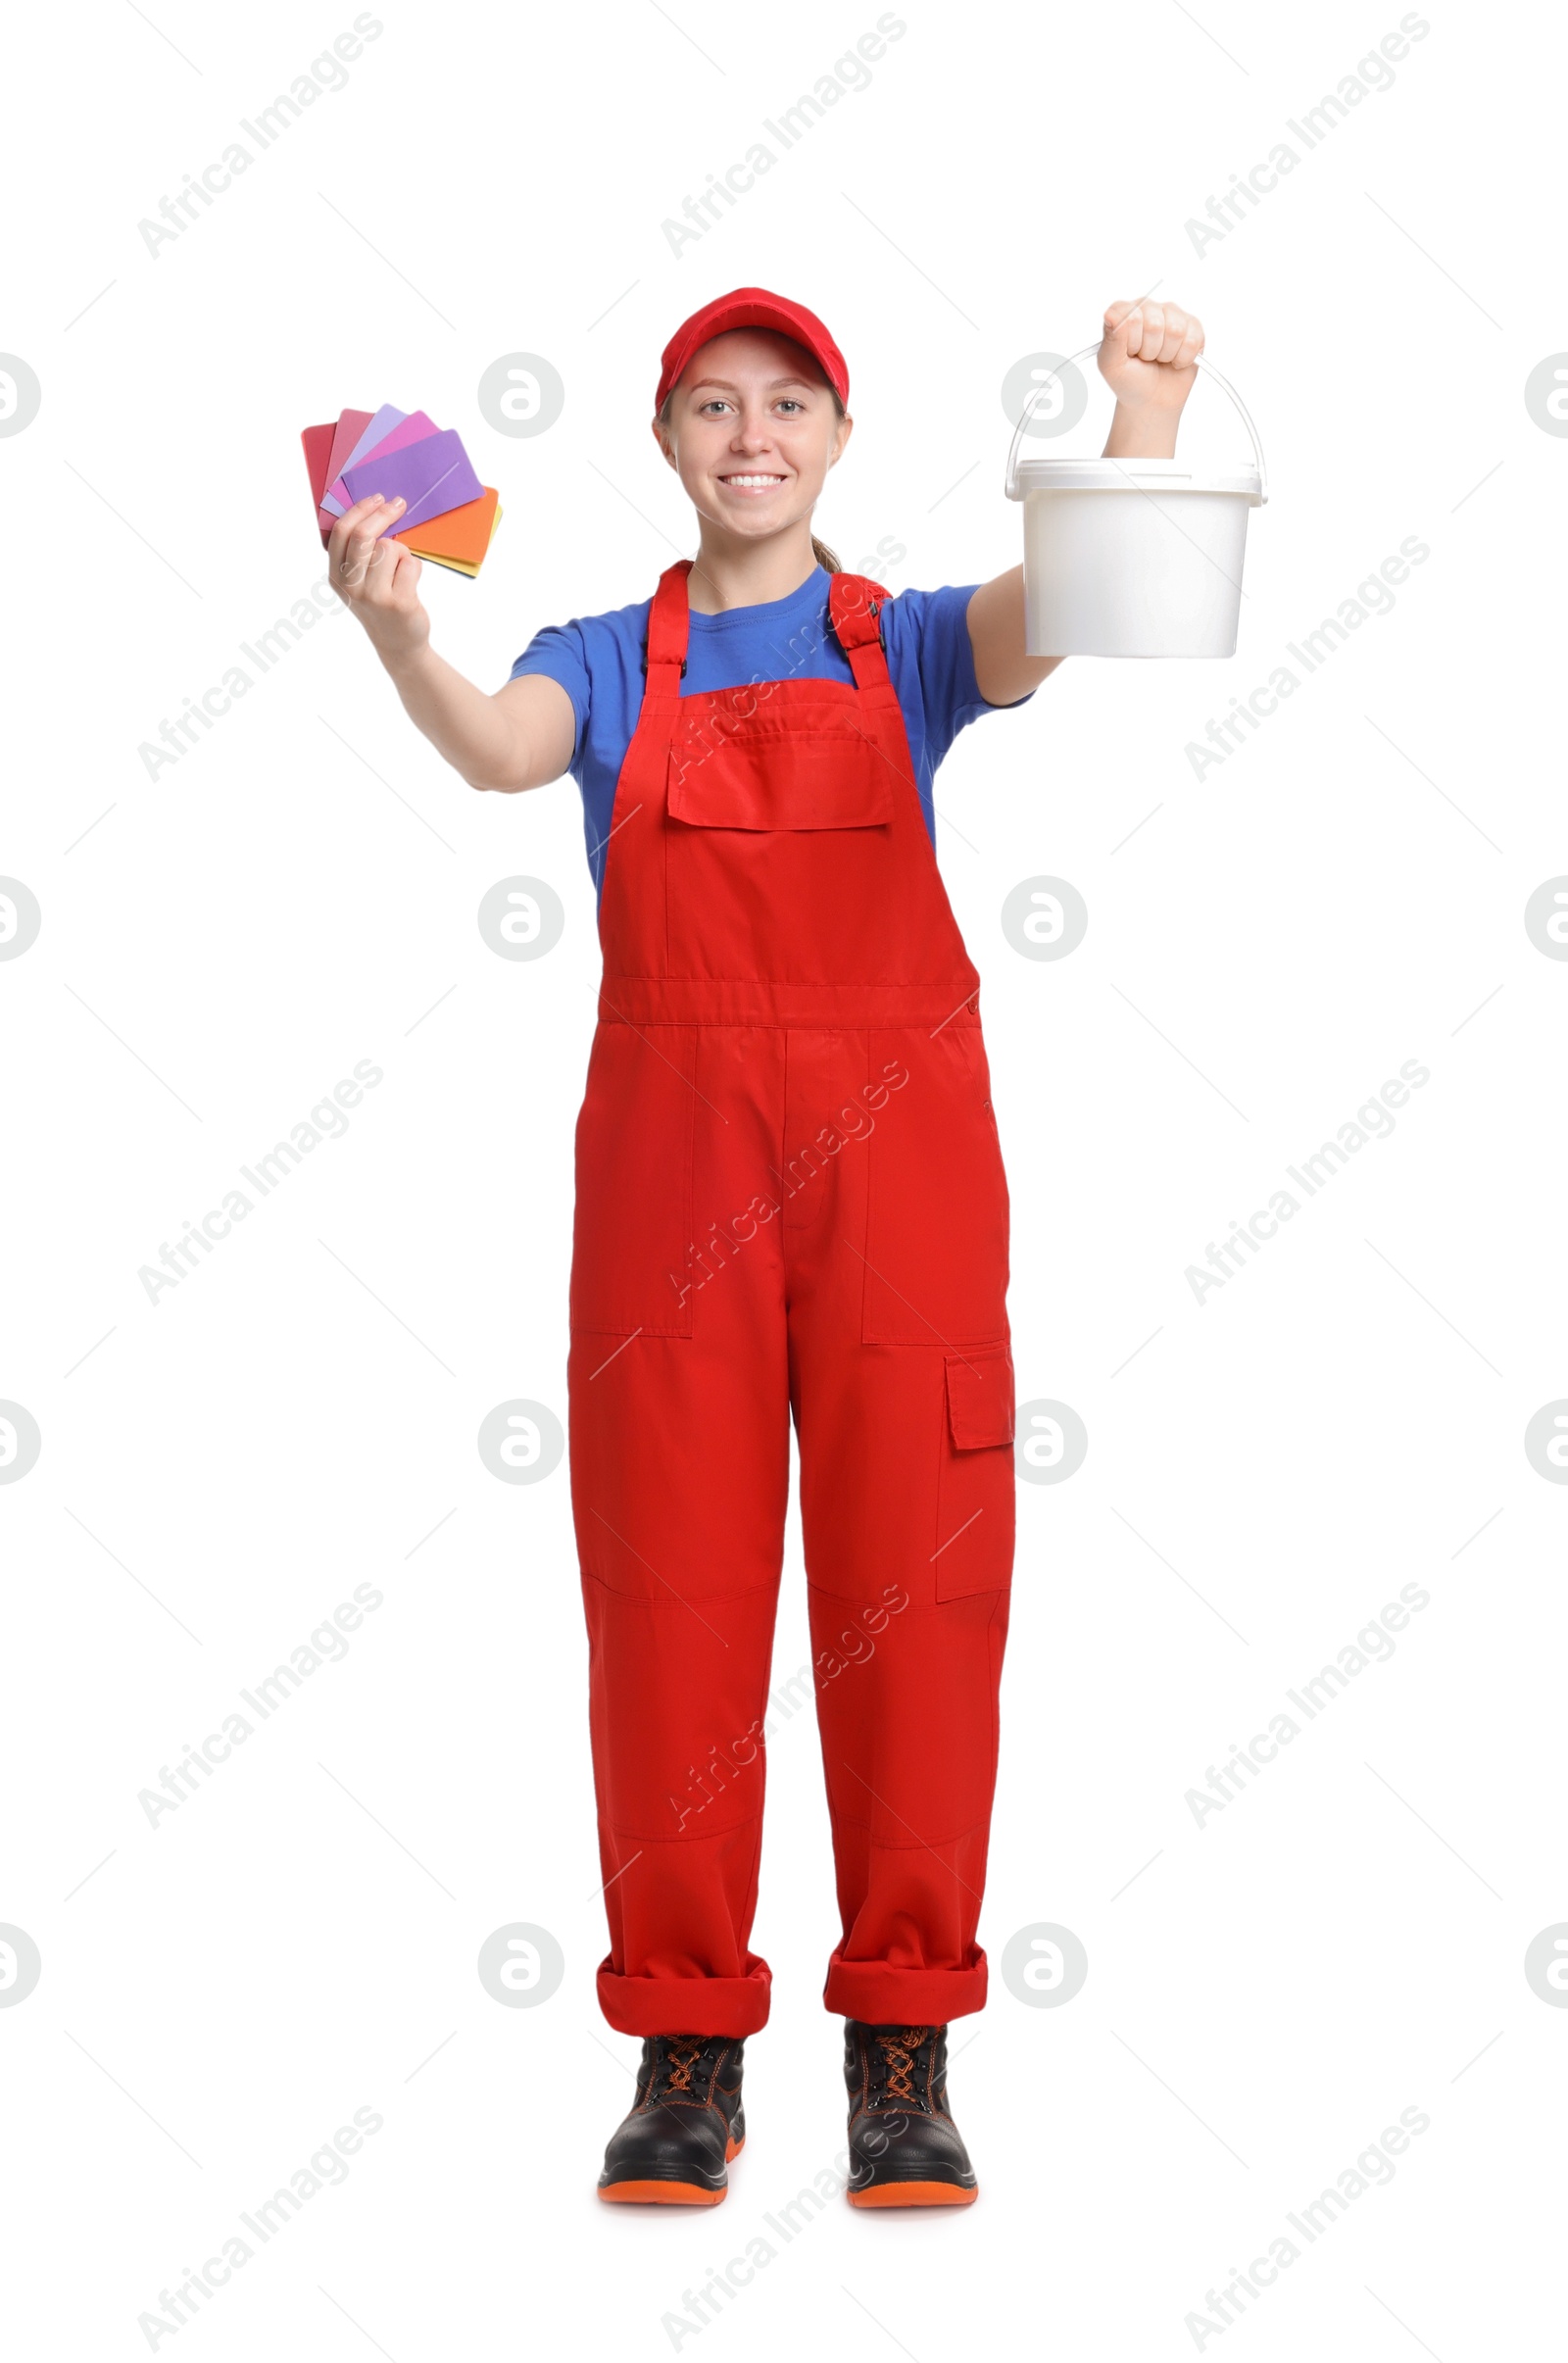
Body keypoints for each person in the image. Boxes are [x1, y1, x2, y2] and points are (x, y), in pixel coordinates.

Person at [327, 286, 1206, 2208]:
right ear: (662, 440)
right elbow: (495, 748)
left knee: (920, 1588)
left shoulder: (899, 651)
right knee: (672, 1609)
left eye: (785, 405)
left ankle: (902, 2039)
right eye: (711, 406)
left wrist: (1136, 419)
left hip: (895, 1196)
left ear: (832, 437)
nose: (749, 435)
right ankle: (685, 2044)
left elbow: (1068, 601)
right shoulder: (596, 659)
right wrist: (404, 636)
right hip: (670, 1201)